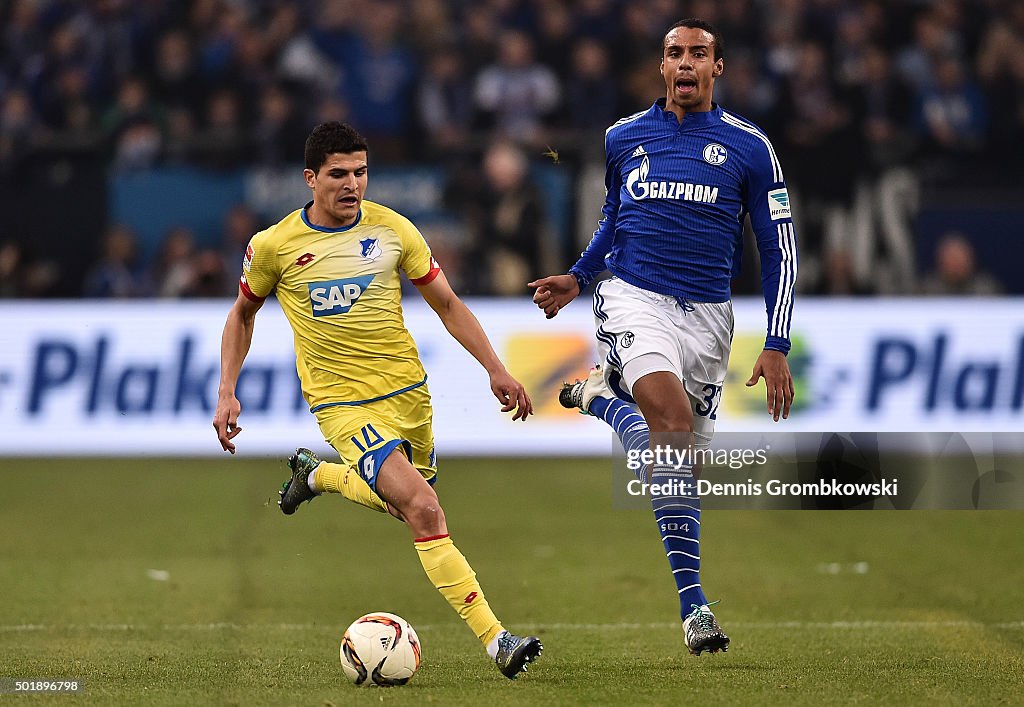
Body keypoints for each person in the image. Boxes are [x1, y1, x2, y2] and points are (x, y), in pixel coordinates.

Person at [213, 122, 542, 679]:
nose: (352, 184)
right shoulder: (274, 246)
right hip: (342, 404)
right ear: (310, 178)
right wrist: (227, 389)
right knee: (424, 509)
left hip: (409, 396)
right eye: (338, 174)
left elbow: (448, 305)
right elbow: (242, 314)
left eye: (360, 172)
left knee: (403, 504)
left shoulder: (393, 229)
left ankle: (317, 477)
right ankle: (497, 640)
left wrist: (495, 368)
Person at [530, 19, 797, 657]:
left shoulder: (750, 147)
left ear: (718, 68)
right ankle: (694, 607)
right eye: (674, 53)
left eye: (698, 55)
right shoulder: (623, 138)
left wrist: (777, 340)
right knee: (670, 423)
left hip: (708, 319)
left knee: (678, 467)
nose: (685, 64)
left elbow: (777, 245)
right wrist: (579, 275)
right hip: (634, 296)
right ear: (661, 66)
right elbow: (612, 222)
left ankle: (599, 399)